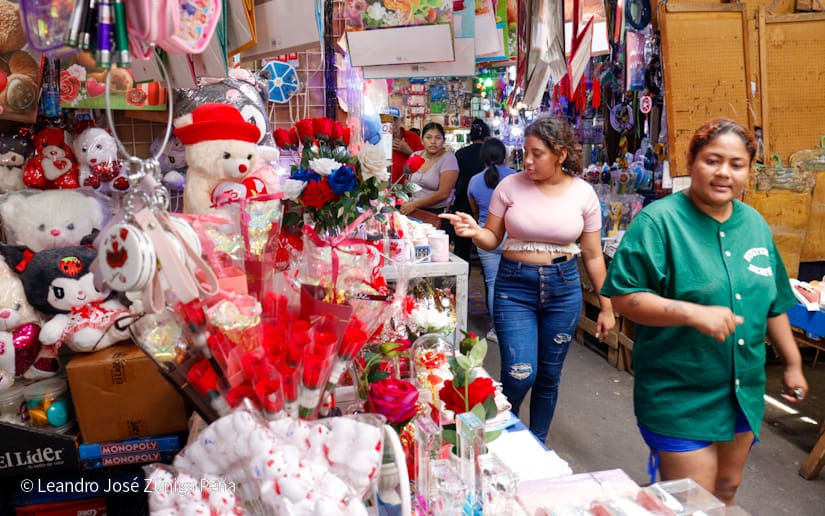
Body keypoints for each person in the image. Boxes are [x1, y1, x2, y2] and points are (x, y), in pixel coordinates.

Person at [600, 119, 808, 505]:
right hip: (677, 391)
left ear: (749, 170)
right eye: (713, 160)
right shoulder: (658, 222)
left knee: (727, 488)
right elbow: (625, 297)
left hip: (741, 390)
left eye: (737, 164)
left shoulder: (755, 225)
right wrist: (692, 313)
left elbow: (775, 301)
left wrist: (793, 362)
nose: (724, 173)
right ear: (691, 161)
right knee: (693, 502)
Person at [441, 116, 614, 443]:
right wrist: (476, 233)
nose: (528, 161)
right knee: (519, 374)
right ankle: (505, 434)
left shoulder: (583, 194)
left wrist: (607, 307)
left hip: (564, 289)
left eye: (538, 154)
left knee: (549, 377)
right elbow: (493, 238)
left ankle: (538, 444)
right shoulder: (509, 187)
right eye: (525, 153)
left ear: (561, 154)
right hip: (514, 287)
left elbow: (592, 255)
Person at [466, 138, 518, 343]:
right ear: (504, 156)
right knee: (515, 284)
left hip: (485, 235)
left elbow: (475, 210)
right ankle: (516, 327)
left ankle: (497, 330)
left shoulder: (474, 181)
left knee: (493, 283)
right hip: (512, 237)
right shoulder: (516, 177)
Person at [400, 122, 459, 221]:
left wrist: (414, 204)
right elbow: (405, 180)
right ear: (422, 140)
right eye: (428, 137)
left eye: (438, 138)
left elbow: (443, 193)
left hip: (437, 214)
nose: (433, 141)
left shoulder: (448, 159)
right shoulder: (415, 155)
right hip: (414, 211)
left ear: (443, 141)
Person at [451, 118, 492, 261]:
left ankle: (462, 279)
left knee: (462, 247)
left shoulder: (460, 154)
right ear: (488, 137)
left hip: (462, 202)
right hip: (484, 204)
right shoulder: (489, 155)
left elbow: (455, 180)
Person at [391, 118, 424, 185]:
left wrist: (408, 151)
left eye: (395, 119)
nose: (392, 124)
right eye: (387, 120)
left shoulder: (413, 137)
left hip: (408, 189)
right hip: (385, 189)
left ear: (401, 121)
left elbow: (424, 164)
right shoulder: (379, 138)